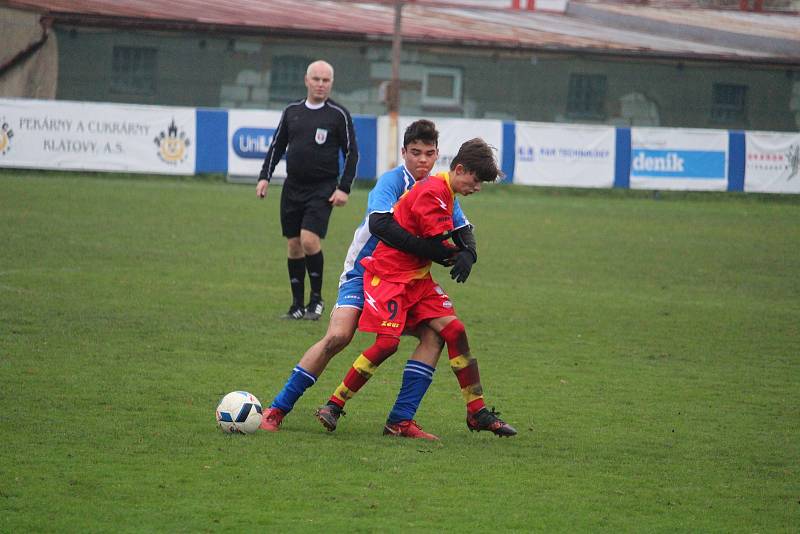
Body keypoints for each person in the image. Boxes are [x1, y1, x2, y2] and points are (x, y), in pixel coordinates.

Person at [260, 120, 477, 439]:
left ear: (437, 155)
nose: (422, 160)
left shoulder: (440, 189)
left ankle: (400, 421)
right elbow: (381, 226)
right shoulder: (391, 181)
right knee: (339, 336)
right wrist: (433, 250)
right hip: (364, 272)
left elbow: (462, 229)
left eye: (429, 154)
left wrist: (469, 253)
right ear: (403, 152)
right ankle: (277, 409)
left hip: (405, 283)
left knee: (436, 336)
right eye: (415, 153)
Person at [315, 138, 517, 439]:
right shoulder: (431, 191)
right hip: (389, 279)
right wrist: (456, 254)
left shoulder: (446, 192)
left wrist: (468, 253)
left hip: (416, 279)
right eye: (476, 181)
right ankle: (334, 404)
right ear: (460, 169)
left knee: (455, 330)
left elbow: (459, 234)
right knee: (387, 344)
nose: (477, 188)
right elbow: (437, 244)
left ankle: (476, 411)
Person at [256, 60, 358, 320]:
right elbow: (277, 146)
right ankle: (296, 306)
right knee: (293, 245)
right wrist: (264, 177)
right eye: (316, 79)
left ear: (331, 83)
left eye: (326, 80)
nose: (321, 84)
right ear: (306, 80)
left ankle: (316, 301)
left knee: (309, 239)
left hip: (322, 188)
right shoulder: (292, 111)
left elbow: (352, 153)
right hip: (293, 187)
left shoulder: (338, 114)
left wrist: (343, 188)